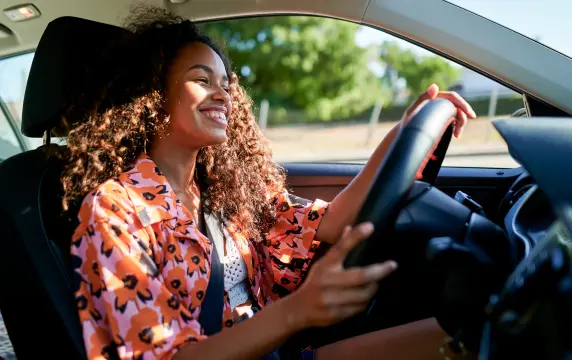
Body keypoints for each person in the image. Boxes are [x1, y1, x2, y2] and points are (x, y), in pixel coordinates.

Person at [62, 6, 477, 360]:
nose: (223, 95)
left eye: (226, 84)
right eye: (202, 80)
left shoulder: (223, 191)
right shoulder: (115, 208)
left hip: (278, 349)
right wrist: (298, 311)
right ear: (152, 96)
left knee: (469, 335)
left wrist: (403, 134)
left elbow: (330, 222)